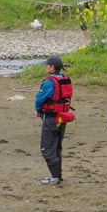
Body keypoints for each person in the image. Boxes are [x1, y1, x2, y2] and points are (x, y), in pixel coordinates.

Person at [35, 55, 74, 186]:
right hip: (62, 117)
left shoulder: (49, 82)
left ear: (52, 67)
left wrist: (38, 111)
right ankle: (57, 176)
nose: (46, 67)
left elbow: (40, 99)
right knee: (57, 147)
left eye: (47, 65)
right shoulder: (65, 79)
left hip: (51, 118)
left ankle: (55, 178)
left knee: (47, 148)